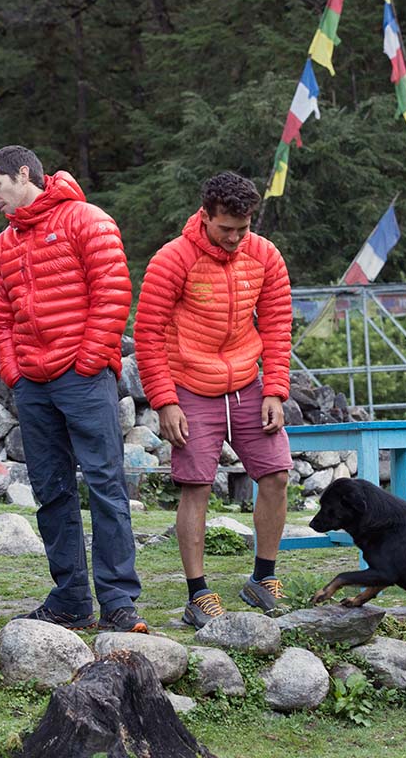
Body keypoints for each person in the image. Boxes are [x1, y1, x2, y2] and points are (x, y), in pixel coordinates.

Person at [0, 145, 147, 633]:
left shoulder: (86, 219)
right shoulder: (6, 243)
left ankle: (119, 602)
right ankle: (71, 601)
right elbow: (0, 314)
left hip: (83, 377)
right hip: (32, 384)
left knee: (106, 487)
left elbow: (113, 293)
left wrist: (90, 359)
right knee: (51, 492)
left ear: (23, 174)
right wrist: (13, 372)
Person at [134, 171, 293, 629]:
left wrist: (276, 390)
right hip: (189, 387)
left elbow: (279, 325)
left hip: (248, 383)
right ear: (205, 216)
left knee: (277, 475)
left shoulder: (264, 256)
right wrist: (165, 401)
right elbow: (147, 334)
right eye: (226, 229)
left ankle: (263, 577)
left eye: (243, 228)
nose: (235, 238)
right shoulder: (172, 260)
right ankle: (197, 592)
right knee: (197, 486)